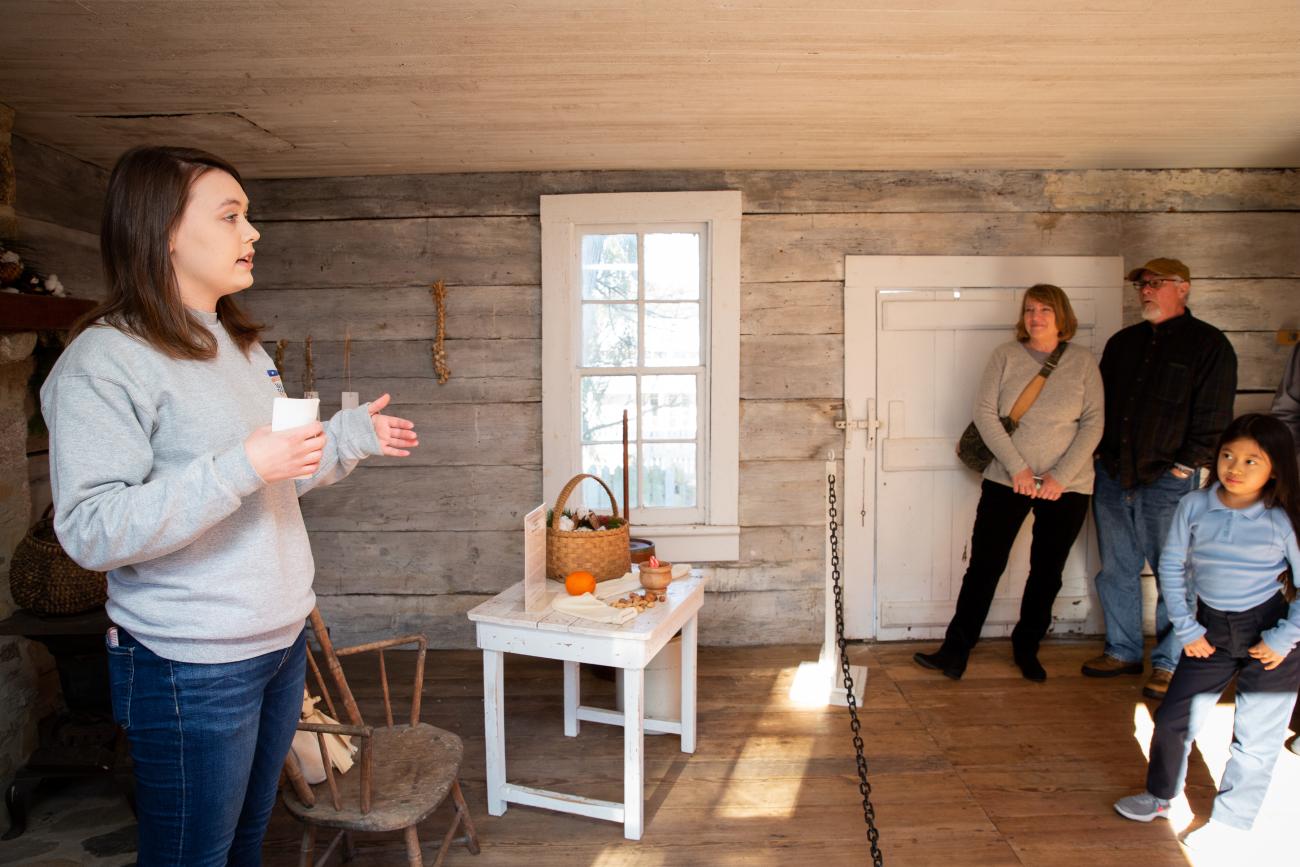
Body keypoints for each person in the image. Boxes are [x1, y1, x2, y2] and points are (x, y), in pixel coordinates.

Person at [40, 146, 419, 866]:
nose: (254, 232)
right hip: (190, 663)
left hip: (278, 645)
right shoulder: (104, 359)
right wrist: (240, 465)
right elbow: (91, 530)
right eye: (232, 214)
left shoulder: (241, 346)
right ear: (165, 232)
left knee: (248, 842)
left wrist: (346, 438)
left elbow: (269, 480)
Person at [1113, 414, 1300, 856]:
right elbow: (1173, 568)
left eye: (1252, 460)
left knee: (1255, 737)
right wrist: (1187, 626)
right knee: (1175, 718)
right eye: (1227, 456)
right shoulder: (1194, 506)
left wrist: (1284, 637)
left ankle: (1233, 821)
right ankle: (1161, 798)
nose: (1235, 467)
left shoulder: (1283, 518)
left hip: (1271, 635)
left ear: (1275, 467)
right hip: (1209, 632)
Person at [914, 284, 1103, 681]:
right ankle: (955, 651)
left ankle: (1027, 648)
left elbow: (1092, 424)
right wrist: (1017, 468)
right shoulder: (1004, 355)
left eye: (1045, 311)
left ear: (1061, 317)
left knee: (1046, 572)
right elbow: (985, 414)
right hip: (1006, 478)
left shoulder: (1083, 362)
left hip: (1066, 487)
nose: (1036, 317)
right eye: (1030, 309)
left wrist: (1059, 477)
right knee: (985, 566)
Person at [1082, 258, 1237, 700]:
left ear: (1183, 288)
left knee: (1175, 572)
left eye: (1155, 284)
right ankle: (1123, 651)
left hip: (1168, 480)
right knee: (1116, 568)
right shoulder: (1123, 343)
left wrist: (1184, 466)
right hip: (1113, 474)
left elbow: (1213, 414)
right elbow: (1101, 407)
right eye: (1142, 285)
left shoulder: (1209, 345)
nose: (1146, 291)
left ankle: (1170, 662)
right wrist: (1099, 456)